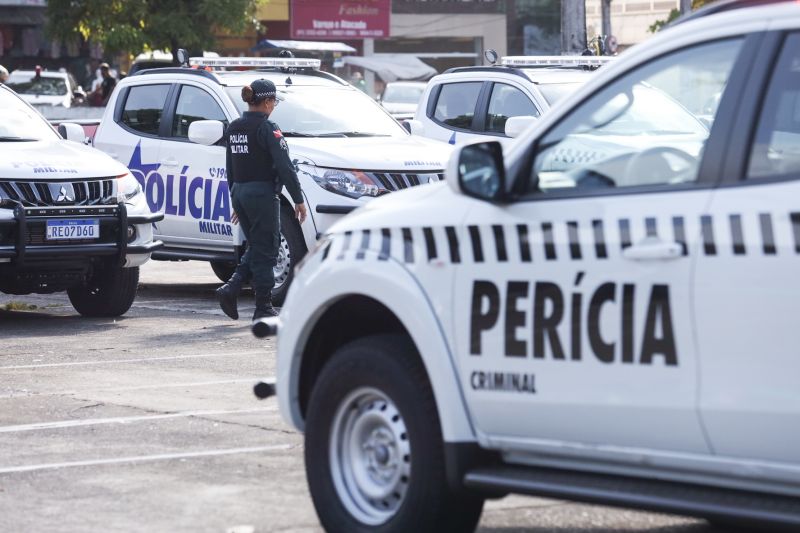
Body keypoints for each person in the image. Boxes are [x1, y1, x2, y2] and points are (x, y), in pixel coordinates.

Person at [216, 79, 307, 321]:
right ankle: (263, 306)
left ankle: (231, 287)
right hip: (263, 194)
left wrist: (235, 199)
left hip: (241, 192)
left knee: (257, 245)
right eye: (274, 102)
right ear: (266, 101)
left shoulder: (234, 127)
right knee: (268, 248)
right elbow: (285, 167)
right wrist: (298, 199)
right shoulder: (268, 129)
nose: (274, 106)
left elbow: (230, 167)